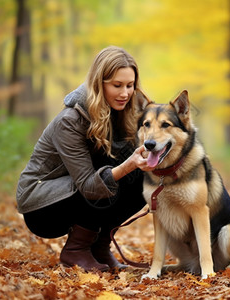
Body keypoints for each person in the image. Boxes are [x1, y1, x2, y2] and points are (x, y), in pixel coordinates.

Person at [16, 46, 154, 272]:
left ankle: (98, 247)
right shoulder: (70, 121)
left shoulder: (121, 113)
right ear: (99, 83)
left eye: (130, 86)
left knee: (141, 177)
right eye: (117, 85)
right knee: (112, 169)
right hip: (42, 205)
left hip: (77, 190)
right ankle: (76, 250)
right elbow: (90, 185)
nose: (125, 93)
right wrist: (128, 165)